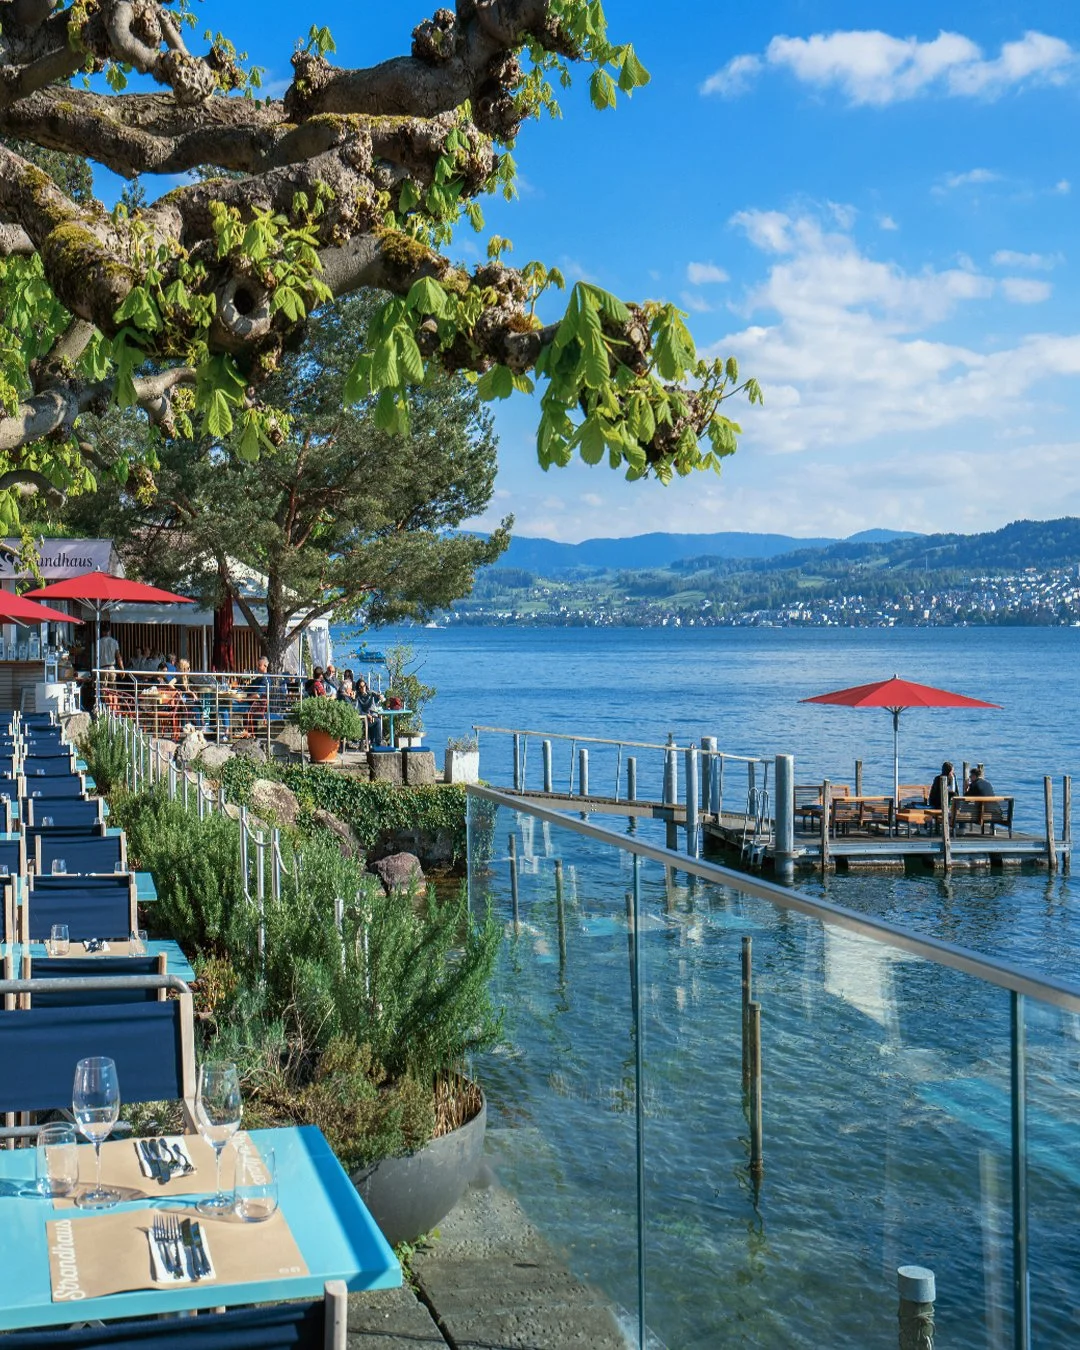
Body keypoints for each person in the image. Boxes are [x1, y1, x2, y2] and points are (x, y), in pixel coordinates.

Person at [354, 677, 384, 746]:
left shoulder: (370, 694)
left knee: (375, 720)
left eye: (364, 686)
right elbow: (358, 710)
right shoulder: (358, 697)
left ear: (366, 685)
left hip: (372, 715)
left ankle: (374, 742)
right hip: (363, 717)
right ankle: (378, 743)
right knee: (377, 721)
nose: (363, 688)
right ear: (358, 688)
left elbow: (379, 697)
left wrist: (380, 696)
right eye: (360, 687)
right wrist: (367, 715)